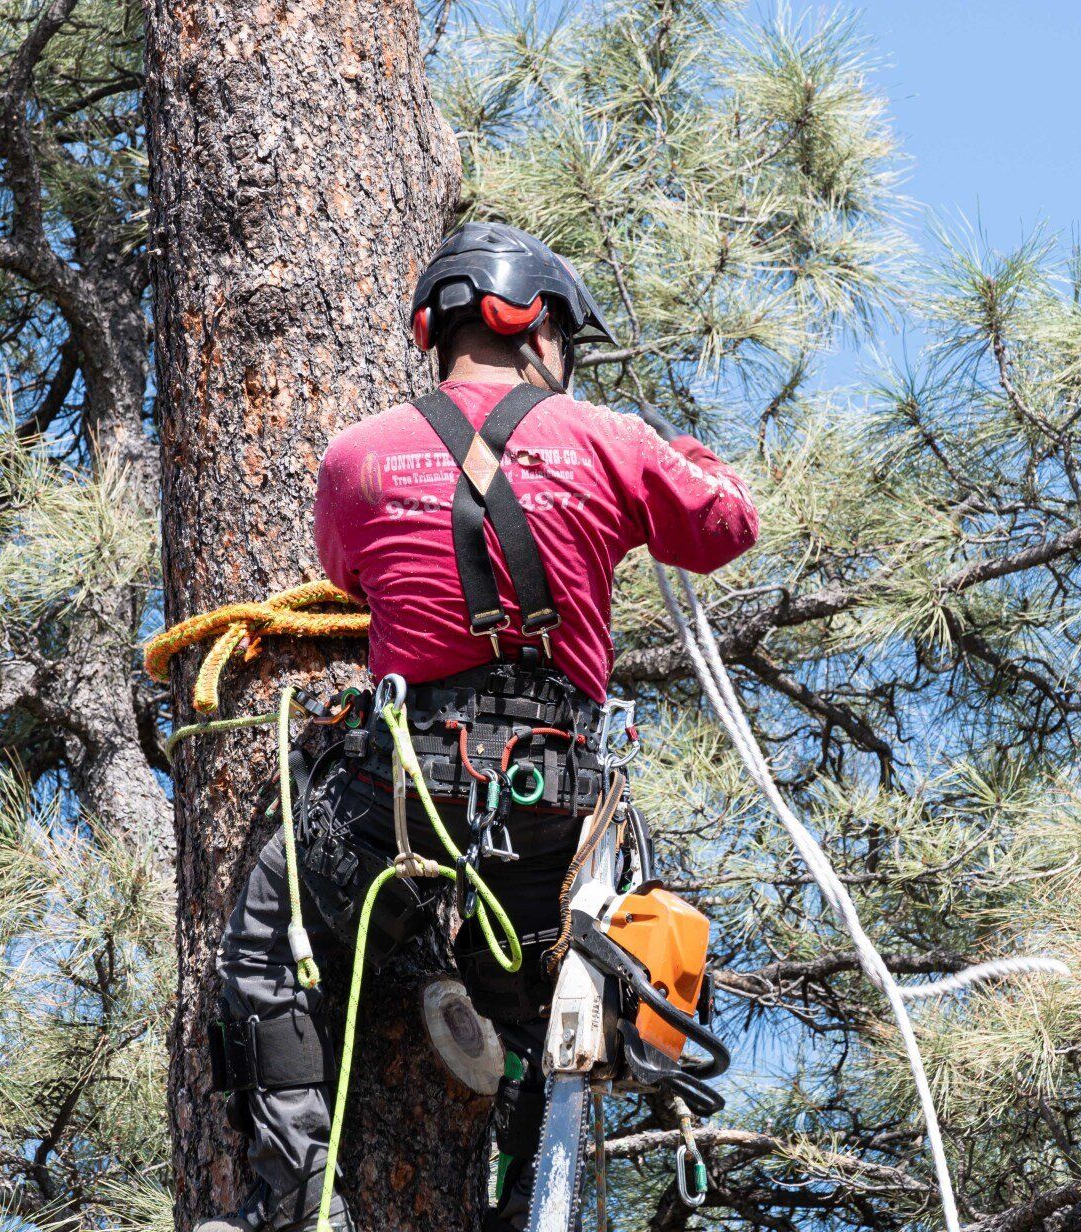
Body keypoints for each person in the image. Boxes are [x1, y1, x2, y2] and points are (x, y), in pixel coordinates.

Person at [198, 222, 760, 1232]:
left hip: (405, 793)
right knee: (545, 1005)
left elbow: (346, 573)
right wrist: (664, 447)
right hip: (558, 798)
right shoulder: (608, 440)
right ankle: (515, 1201)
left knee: (269, 942)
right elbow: (726, 524)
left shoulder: (359, 456)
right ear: (538, 323)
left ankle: (284, 1205)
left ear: (439, 328)